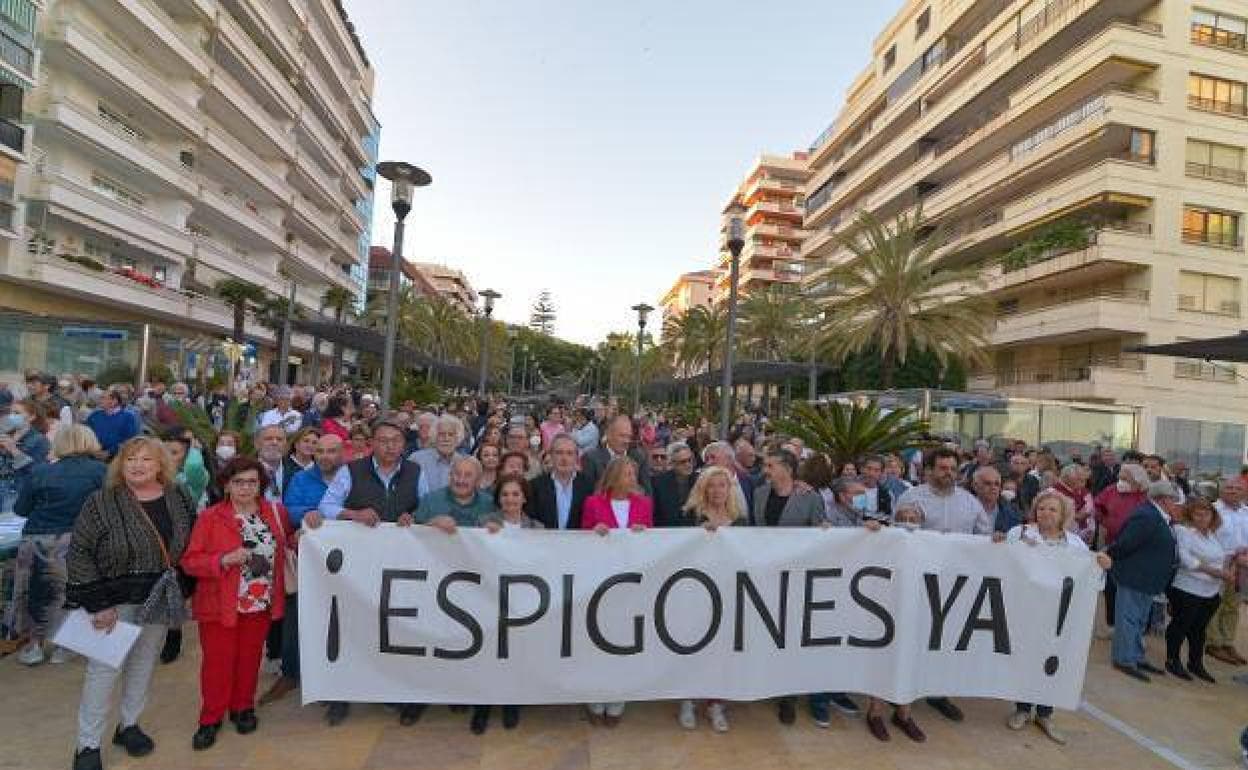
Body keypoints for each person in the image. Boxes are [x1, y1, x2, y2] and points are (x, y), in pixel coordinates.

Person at [67, 436, 196, 770]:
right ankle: (88, 746)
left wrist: (187, 589)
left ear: (161, 465)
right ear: (119, 465)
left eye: (146, 460)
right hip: (113, 600)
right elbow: (79, 553)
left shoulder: (178, 496)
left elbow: (192, 541)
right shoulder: (101, 502)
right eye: (130, 459)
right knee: (103, 670)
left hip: (158, 596)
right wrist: (97, 603)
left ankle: (129, 725)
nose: (137, 466)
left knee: (143, 663)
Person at [315, 420, 424, 727]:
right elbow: (327, 506)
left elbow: (425, 508)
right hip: (358, 566)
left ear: (404, 445)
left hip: (400, 566)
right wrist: (354, 514)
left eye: (395, 441)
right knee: (352, 627)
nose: (389, 446)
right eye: (382, 440)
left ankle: (394, 691)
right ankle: (341, 695)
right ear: (371, 443)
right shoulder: (351, 470)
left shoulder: (416, 472)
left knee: (396, 629)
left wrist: (413, 517)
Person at [181, 457, 290, 751]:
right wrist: (222, 559)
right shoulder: (210, 517)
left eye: (252, 482)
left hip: (260, 603)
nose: (245, 487)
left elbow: (288, 547)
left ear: (261, 486)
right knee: (217, 663)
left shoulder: (275, 513)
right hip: (220, 604)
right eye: (238, 481)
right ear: (226, 485)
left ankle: (243, 708)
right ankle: (211, 718)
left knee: (249, 659)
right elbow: (190, 561)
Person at [1003, 490, 1111, 744]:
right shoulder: (1019, 534)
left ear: (1064, 515)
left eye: (1053, 509)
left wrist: (1101, 565)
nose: (1046, 514)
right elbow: (1004, 565)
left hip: (1061, 614)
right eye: (1041, 508)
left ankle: (1045, 713)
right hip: (1027, 610)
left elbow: (1091, 580)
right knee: (1027, 658)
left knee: (1052, 662)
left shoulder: (1075, 544)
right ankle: (1022, 708)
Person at [896, 447, 991, 722]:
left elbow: (983, 537)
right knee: (914, 638)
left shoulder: (970, 502)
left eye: (952, 469)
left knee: (945, 640)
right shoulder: (911, 497)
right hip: (919, 583)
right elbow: (898, 536)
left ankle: (938, 693)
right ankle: (904, 694)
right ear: (928, 470)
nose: (948, 473)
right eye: (942, 468)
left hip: (956, 585)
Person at [259, 433, 346, 706]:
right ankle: (290, 673)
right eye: (319, 451)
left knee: (340, 616)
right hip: (308, 558)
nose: (324, 456)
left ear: (343, 452)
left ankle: (338, 674)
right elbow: (289, 510)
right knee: (295, 614)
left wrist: (328, 514)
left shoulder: (351, 478)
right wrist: (308, 513)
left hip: (347, 563)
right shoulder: (301, 479)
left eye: (331, 451)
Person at [749, 449, 831, 726]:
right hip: (765, 576)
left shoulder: (810, 497)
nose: (765, 469)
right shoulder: (759, 493)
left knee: (792, 637)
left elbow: (821, 538)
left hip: (797, 580)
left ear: (787, 468)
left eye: (771, 465)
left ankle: (789, 696)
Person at [13, 425, 107, 666]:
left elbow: (21, 509)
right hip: (77, 539)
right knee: (72, 593)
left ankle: (33, 646)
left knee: (35, 593)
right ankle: (65, 647)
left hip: (36, 539)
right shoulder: (100, 471)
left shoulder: (41, 471)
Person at [581, 457, 652, 727]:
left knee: (624, 641)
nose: (632, 477)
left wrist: (644, 534)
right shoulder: (593, 503)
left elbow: (653, 543)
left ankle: (619, 694)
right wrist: (592, 532)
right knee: (597, 640)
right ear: (612, 476)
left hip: (631, 583)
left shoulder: (644, 504)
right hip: (598, 582)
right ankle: (594, 694)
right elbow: (577, 541)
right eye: (627, 473)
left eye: (634, 472)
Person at [471, 474, 543, 734]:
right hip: (490, 600)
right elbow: (471, 557)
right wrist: (483, 538)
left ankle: (511, 703)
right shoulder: (483, 522)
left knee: (516, 656)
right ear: (498, 498)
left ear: (524, 498)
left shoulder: (538, 528)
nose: (510, 499)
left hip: (523, 604)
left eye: (515, 494)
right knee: (488, 656)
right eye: (505, 494)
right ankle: (483, 707)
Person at [675, 465, 743, 733]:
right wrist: (699, 535)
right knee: (692, 646)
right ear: (703, 488)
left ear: (729, 490)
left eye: (722, 485)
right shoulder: (690, 515)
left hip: (727, 592)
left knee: (720, 650)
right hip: (694, 591)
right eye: (712, 485)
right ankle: (687, 700)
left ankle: (716, 703)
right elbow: (677, 550)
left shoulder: (740, 519)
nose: (717, 490)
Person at [864, 501, 926, 743]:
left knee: (911, 662)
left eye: (914, 519)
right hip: (886, 609)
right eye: (904, 518)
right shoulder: (886, 539)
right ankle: (875, 713)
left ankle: (904, 715)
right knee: (882, 660)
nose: (909, 523)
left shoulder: (929, 543)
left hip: (916, 610)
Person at [1108, 480, 1180, 682]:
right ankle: (1124, 659)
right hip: (1135, 576)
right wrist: (1110, 556)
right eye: (1175, 500)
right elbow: (1125, 543)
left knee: (1138, 621)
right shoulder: (1147, 515)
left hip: (1147, 578)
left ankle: (1135, 656)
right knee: (1129, 619)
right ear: (1164, 499)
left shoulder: (1155, 515)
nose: (1177, 504)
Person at [1162, 497, 1228, 683]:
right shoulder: (1184, 532)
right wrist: (1215, 571)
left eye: (1206, 514)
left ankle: (1195, 662)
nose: (1202, 518)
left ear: (1212, 516)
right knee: (1180, 626)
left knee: (1199, 630)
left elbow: (1221, 558)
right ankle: (1172, 659)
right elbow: (1186, 560)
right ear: (1190, 515)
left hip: (1211, 591)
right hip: (1187, 589)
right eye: (1197, 514)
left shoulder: (1213, 535)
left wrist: (1222, 573)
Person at [1093, 463, 1150, 629]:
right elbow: (1098, 506)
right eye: (1120, 478)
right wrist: (1103, 520)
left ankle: (1134, 627)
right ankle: (1111, 623)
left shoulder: (1146, 496)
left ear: (1138, 481)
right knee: (1111, 586)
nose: (1121, 481)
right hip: (1112, 544)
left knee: (1131, 589)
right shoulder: (1111, 490)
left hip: (1136, 549)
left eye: (1125, 479)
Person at [1208, 477, 1248, 666]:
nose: (1233, 491)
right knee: (1216, 603)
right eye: (1229, 488)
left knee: (1233, 605)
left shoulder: (1246, 512)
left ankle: (1227, 642)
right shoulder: (1213, 510)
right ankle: (1214, 642)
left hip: (1242, 566)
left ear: (1244, 492)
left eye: (1237, 488)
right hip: (1219, 563)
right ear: (1221, 490)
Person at [530, 434, 593, 530]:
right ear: (551, 456)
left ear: (576, 457)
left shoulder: (589, 486)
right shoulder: (535, 486)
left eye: (569, 453)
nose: (564, 458)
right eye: (559, 453)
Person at [0, 399, 50, 513]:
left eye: (17, 413)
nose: (11, 416)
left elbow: (38, 471)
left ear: (32, 417)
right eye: (10, 413)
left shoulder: (39, 440)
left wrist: (13, 450)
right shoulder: (6, 434)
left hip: (18, 493)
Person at [582, 414, 652, 494]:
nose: (626, 441)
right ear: (608, 434)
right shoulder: (591, 458)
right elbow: (588, 493)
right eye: (622, 436)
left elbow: (647, 492)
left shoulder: (640, 457)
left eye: (628, 437)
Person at [417, 456, 495, 525]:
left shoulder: (490, 504)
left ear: (478, 480)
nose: (461, 480)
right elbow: (413, 533)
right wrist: (431, 524)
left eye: (468, 475)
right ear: (450, 476)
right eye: (457, 474)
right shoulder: (430, 500)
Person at [409, 414, 465, 496]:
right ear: (434, 436)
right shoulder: (416, 459)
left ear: (458, 438)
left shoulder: (465, 462)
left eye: (451, 434)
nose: (446, 438)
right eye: (441, 434)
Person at [86, 388, 141, 459]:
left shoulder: (128, 417)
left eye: (103, 398)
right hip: (93, 455)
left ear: (114, 401)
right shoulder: (95, 415)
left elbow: (131, 440)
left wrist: (110, 452)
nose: (99, 400)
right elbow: (86, 433)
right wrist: (91, 450)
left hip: (117, 458)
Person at [652, 442, 698, 527]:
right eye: (682, 462)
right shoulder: (658, 482)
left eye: (690, 460)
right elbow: (655, 513)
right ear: (672, 463)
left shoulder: (700, 479)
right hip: (668, 532)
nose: (688, 464)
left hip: (696, 532)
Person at [1051, 463, 1096, 545]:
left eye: (1084, 480)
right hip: (1062, 535)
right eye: (1080, 480)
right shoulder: (1053, 492)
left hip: (1083, 535)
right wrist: (1075, 515)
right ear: (1067, 479)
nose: (1083, 484)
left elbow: (1089, 508)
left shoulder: (1083, 491)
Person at [971, 466, 1019, 534]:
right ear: (975, 486)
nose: (993, 487)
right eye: (988, 483)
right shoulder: (963, 510)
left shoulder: (1012, 514)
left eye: (997, 484)